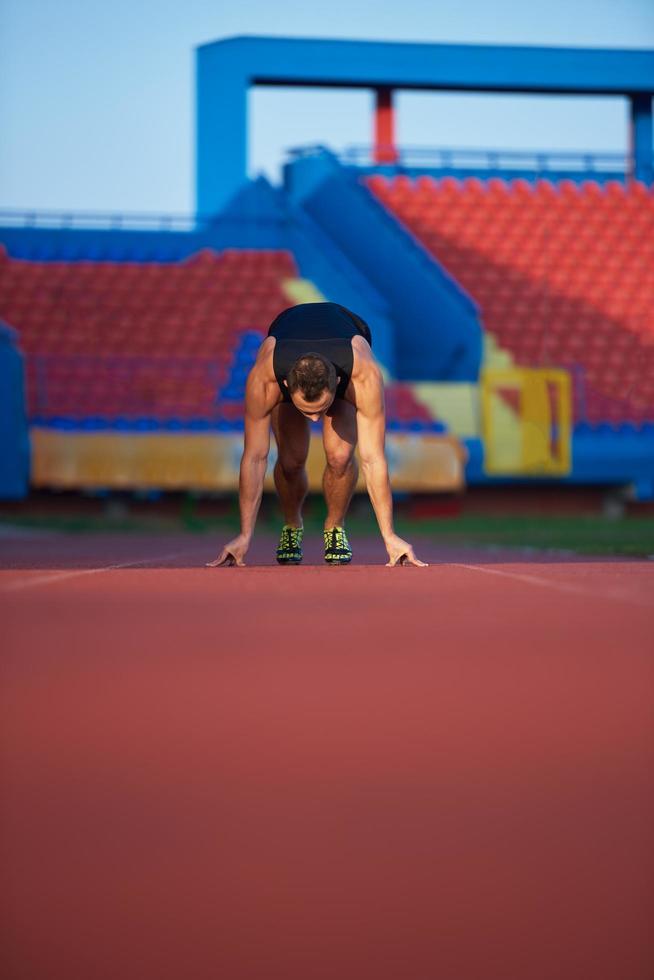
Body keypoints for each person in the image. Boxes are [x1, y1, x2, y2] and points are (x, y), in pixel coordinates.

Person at [206, 302, 427, 568]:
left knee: (340, 456)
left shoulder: (362, 375)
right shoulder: (266, 377)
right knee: (290, 461)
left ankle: (334, 527)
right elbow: (254, 457)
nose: (314, 418)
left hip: (346, 333)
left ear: (336, 385)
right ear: (286, 386)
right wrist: (244, 535)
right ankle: (292, 525)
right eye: (305, 409)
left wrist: (389, 536)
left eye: (321, 408)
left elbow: (373, 459)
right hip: (287, 330)